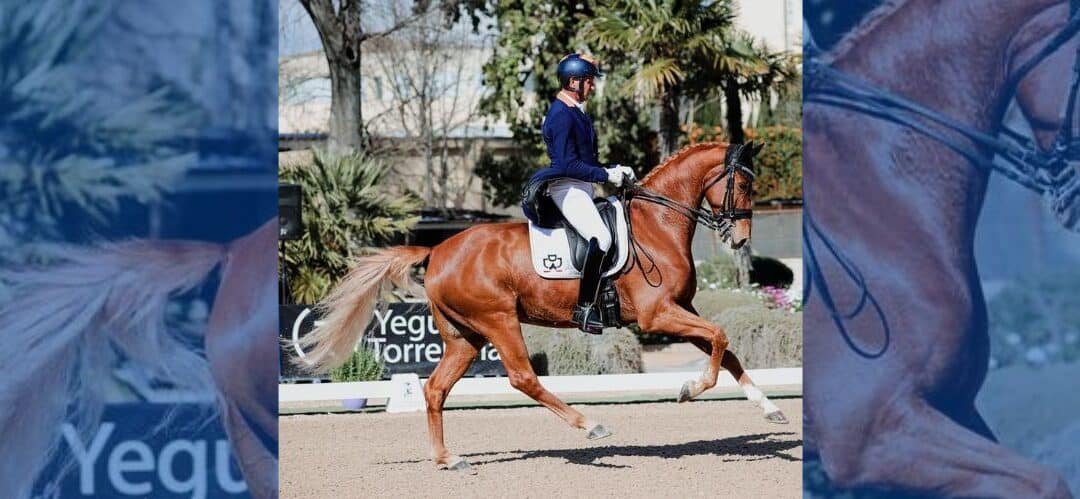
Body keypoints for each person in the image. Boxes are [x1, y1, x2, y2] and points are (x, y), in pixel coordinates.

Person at [521, 53, 635, 334]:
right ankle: (584, 308)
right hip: (567, 187)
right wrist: (606, 176)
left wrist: (613, 168)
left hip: (582, 184)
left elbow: (585, 160)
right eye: (589, 81)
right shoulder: (560, 115)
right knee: (602, 237)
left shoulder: (575, 111)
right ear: (574, 82)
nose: (592, 87)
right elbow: (566, 164)